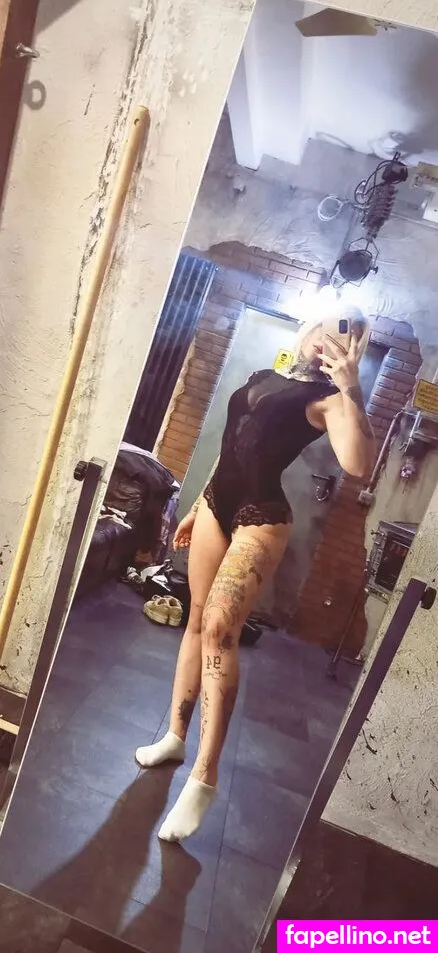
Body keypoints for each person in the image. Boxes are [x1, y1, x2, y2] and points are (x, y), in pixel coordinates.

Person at [135, 307, 375, 843]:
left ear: (354, 350)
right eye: (329, 330)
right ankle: (175, 737)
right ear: (310, 328)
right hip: (215, 505)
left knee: (221, 630)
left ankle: (204, 777)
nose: (331, 343)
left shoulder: (330, 400)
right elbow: (232, 445)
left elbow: (358, 464)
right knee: (195, 620)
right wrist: (199, 503)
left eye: (347, 339)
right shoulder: (265, 374)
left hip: (261, 518)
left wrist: (352, 387)